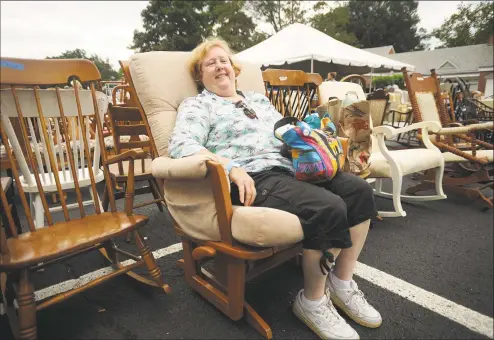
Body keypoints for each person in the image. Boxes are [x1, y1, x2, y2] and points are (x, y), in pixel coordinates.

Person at [168, 37, 381, 339]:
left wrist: (308, 134)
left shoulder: (257, 100)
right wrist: (231, 169)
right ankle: (312, 302)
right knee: (328, 208)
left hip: (293, 167)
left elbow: (284, 134)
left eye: (224, 60)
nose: (219, 66)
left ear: (234, 69)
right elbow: (180, 144)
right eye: (210, 63)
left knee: (359, 191)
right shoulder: (198, 105)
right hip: (255, 177)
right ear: (199, 75)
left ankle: (342, 282)